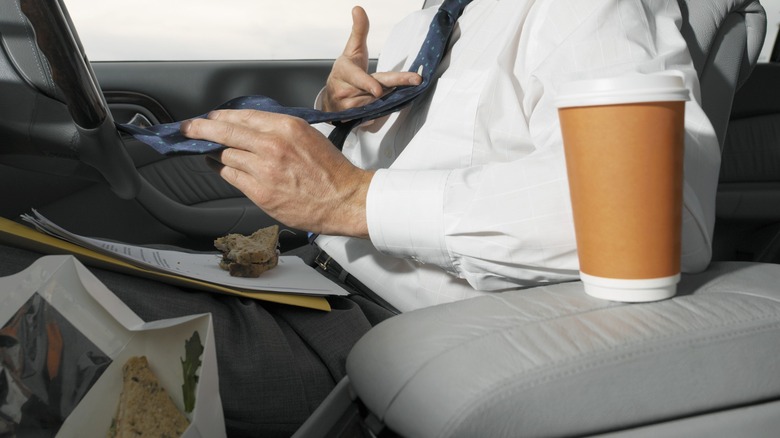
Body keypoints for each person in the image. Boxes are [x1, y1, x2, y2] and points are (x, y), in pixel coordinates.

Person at [1, 0, 721, 436]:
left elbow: (657, 213)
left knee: (23, 327)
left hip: (382, 327)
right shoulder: (423, 22)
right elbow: (422, 170)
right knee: (34, 274)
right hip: (302, 280)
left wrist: (352, 199)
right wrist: (346, 121)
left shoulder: (590, 10)